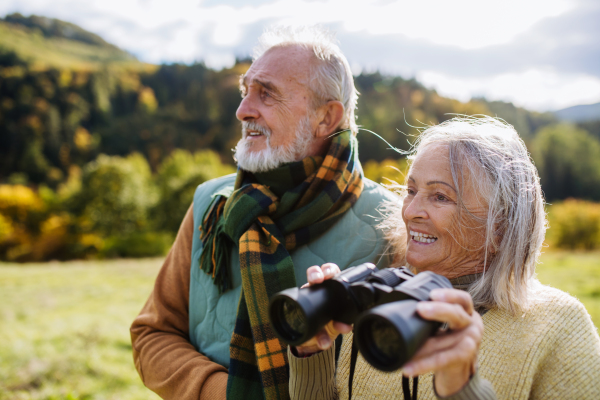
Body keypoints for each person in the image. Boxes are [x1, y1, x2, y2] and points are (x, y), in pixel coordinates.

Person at [130, 26, 398, 400]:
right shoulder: (212, 204)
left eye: (266, 94)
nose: (242, 110)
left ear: (326, 117)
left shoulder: (394, 224)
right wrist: (224, 394)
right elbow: (152, 333)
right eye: (245, 92)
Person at [288, 116, 600, 399]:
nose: (410, 212)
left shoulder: (558, 327)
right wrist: (311, 352)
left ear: (500, 227)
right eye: (411, 191)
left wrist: (462, 390)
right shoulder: (382, 313)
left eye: (440, 196)